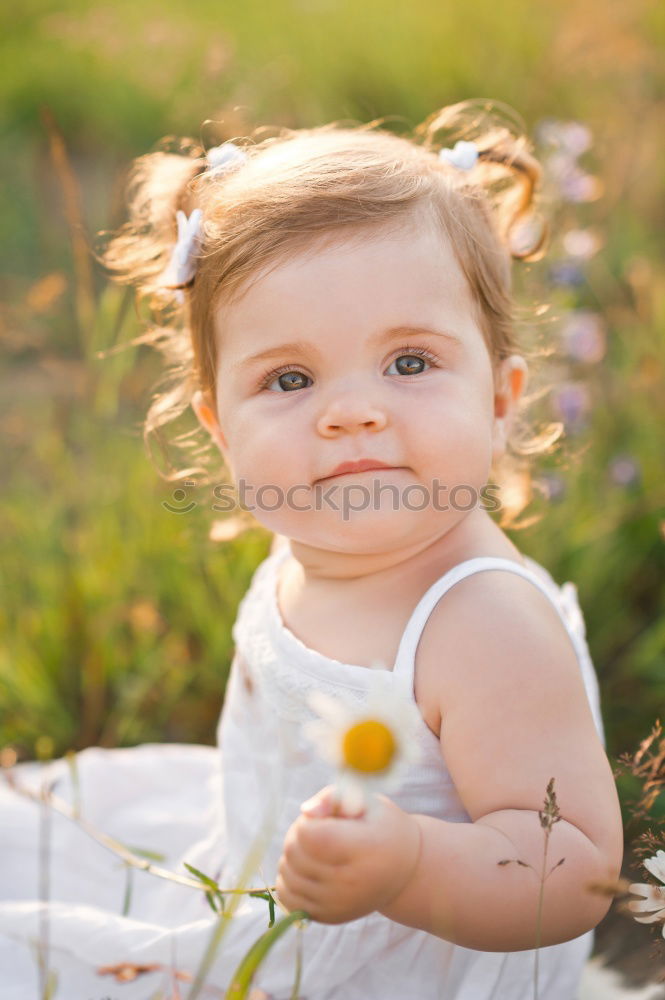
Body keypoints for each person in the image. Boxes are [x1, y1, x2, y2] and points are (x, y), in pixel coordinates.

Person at [0, 100, 623, 999]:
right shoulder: (312, 546)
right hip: (258, 877)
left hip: (388, 965)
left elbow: (571, 868)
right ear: (219, 426)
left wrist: (406, 864)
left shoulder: (482, 623)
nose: (350, 411)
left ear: (499, 397)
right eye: (289, 379)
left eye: (408, 362)